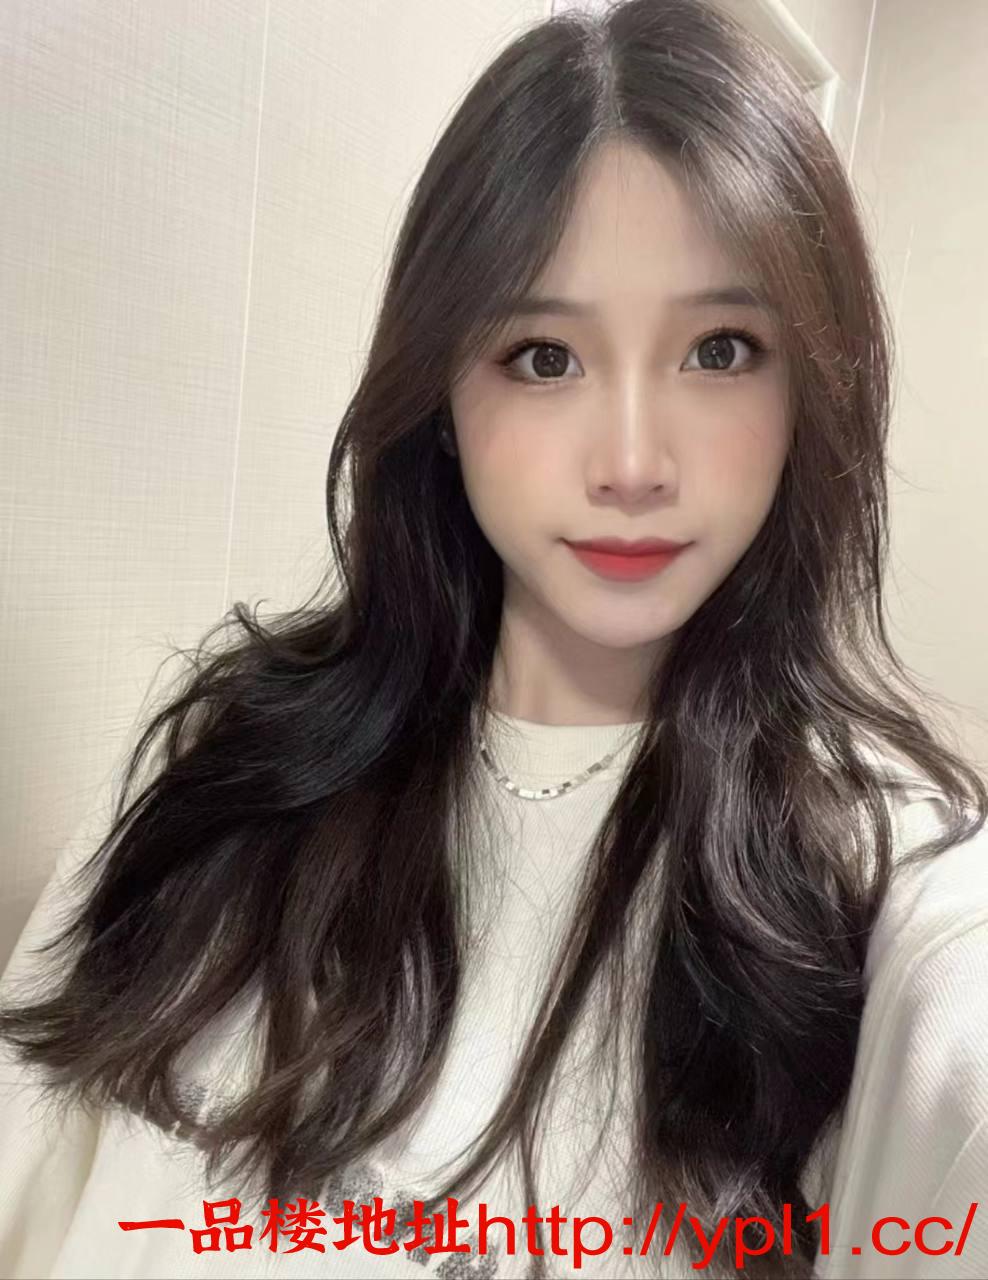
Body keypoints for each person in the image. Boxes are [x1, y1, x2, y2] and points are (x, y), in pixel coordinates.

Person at [2, 0, 986, 1277]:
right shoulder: (229, 758)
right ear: (443, 395)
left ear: (813, 387)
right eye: (542, 356)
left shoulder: (878, 894)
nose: (630, 462)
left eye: (720, 349)